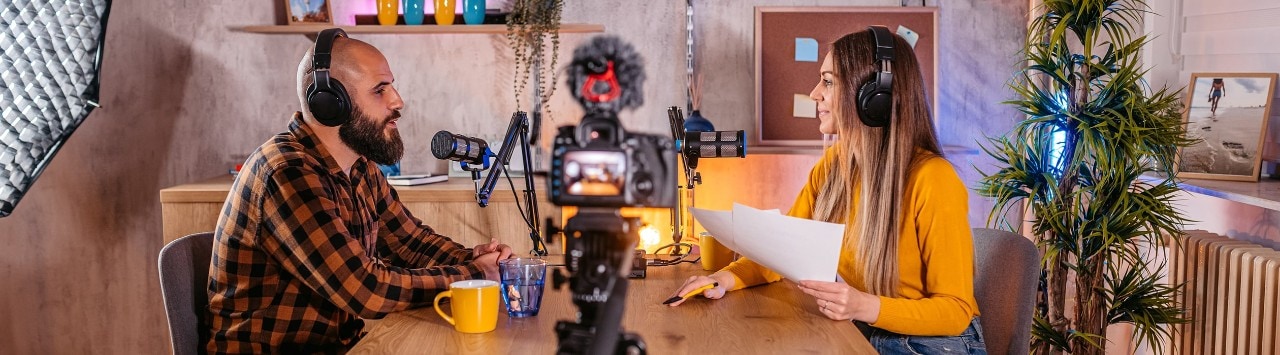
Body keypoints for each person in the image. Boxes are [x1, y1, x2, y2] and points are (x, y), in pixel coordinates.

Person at [668, 27, 986, 354]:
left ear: (874, 97)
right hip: (868, 328)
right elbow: (780, 248)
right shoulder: (834, 166)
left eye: (829, 81)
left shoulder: (933, 178)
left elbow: (955, 311)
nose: (815, 93)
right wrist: (723, 280)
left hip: (937, 343)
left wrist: (864, 306)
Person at [206, 29, 513, 353]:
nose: (398, 101)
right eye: (380, 90)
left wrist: (475, 259)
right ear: (329, 103)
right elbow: (366, 289)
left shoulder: (359, 167)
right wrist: (473, 274)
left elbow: (409, 242)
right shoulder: (286, 174)